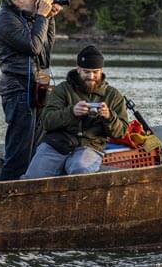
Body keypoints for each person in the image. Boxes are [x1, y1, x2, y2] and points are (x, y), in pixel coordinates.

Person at [23, 45, 128, 178]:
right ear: (78, 69)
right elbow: (47, 121)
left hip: (90, 146)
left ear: (101, 70)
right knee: (32, 177)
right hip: (57, 144)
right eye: (86, 72)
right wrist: (71, 112)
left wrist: (109, 116)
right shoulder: (62, 90)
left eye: (95, 72)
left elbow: (121, 132)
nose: (91, 76)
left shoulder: (113, 95)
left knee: (79, 171)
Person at [0, 0, 60, 180]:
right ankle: (5, 198)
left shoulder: (25, 17)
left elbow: (45, 52)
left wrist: (49, 18)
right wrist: (41, 16)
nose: (40, 0)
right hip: (18, 90)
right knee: (18, 154)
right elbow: (32, 47)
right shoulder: (5, 19)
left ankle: (23, 197)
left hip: (35, 89)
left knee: (34, 151)